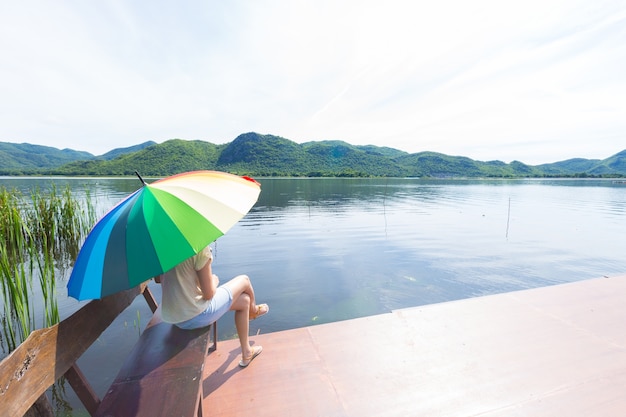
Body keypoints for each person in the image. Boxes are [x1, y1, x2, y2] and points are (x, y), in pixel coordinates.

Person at [157, 245, 268, 368]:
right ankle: (253, 312)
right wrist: (214, 281)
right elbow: (209, 294)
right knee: (245, 280)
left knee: (244, 301)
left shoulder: (164, 246)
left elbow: (159, 279)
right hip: (196, 315)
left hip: (175, 317)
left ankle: (247, 352)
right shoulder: (198, 247)